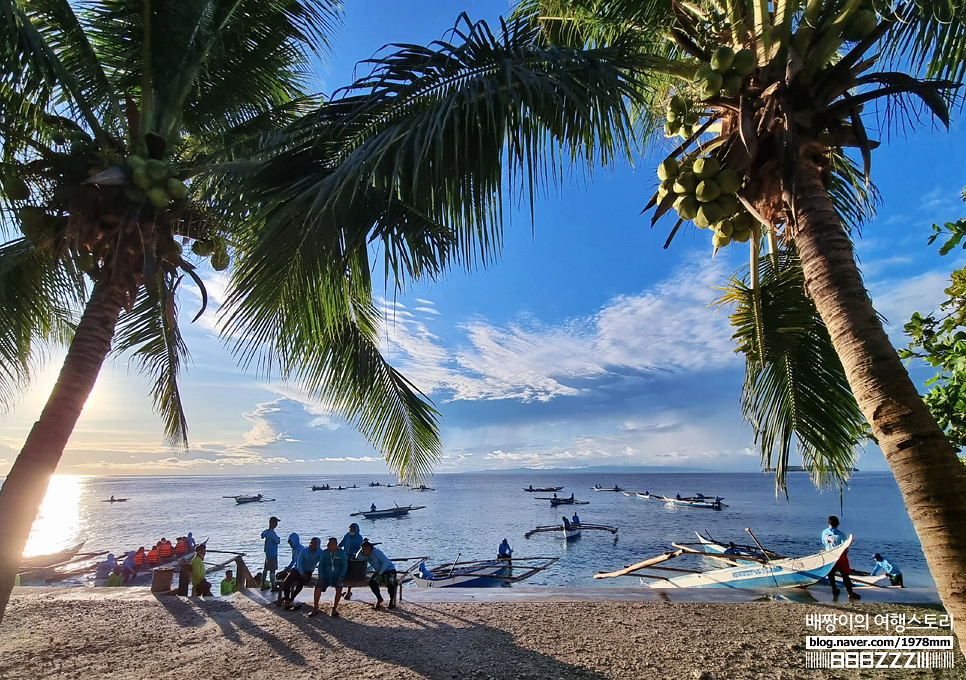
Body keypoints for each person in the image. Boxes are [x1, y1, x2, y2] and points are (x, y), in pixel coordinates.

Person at [821, 515, 860, 600]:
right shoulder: (841, 535)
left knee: (831, 574)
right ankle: (850, 593)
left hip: (829, 556)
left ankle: (834, 588)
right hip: (840, 557)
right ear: (838, 524)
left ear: (828, 523)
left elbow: (824, 542)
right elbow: (845, 548)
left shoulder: (824, 533)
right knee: (845, 576)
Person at [279, 537, 322, 610]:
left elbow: (322, 562)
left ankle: (291, 599)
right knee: (287, 581)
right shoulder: (304, 551)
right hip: (298, 569)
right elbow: (299, 562)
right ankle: (286, 598)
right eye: (312, 543)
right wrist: (301, 572)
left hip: (308, 571)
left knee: (301, 583)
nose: (313, 545)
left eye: (315, 544)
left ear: (318, 545)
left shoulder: (320, 552)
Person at [310, 537, 347, 617]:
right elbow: (321, 565)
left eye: (331, 545)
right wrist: (321, 576)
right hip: (326, 576)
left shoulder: (342, 553)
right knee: (317, 587)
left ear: (336, 545)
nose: (329, 546)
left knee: (339, 587)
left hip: (337, 576)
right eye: (328, 544)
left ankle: (334, 609)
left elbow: (344, 566)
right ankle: (315, 608)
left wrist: (341, 576)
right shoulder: (325, 553)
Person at [360, 541, 398, 610]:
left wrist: (380, 572)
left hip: (389, 570)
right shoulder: (366, 555)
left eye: (364, 549)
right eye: (362, 549)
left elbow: (385, 562)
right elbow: (358, 557)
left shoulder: (377, 552)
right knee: (372, 582)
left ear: (369, 548)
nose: (363, 551)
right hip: (380, 572)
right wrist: (360, 549)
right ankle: (379, 598)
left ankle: (391, 600)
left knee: (390, 583)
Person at [339, 523, 364, 601]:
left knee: (349, 574)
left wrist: (354, 554)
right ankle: (340, 590)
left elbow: (360, 549)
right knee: (341, 573)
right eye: (350, 530)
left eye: (352, 530)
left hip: (352, 558)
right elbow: (342, 543)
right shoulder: (347, 535)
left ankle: (349, 591)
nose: (351, 531)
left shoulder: (359, 538)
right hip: (344, 556)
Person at [260, 516, 281, 591]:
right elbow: (277, 541)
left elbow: (262, 535)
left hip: (267, 553)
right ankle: (274, 585)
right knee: (272, 570)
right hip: (272, 553)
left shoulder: (267, 531)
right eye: (276, 523)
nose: (276, 524)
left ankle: (263, 584)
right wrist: (278, 538)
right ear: (273, 523)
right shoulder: (272, 533)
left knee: (265, 569)